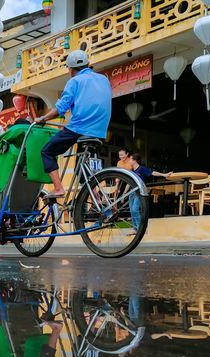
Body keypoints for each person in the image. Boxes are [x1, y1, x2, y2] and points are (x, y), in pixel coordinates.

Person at [36, 50, 112, 198]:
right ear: (88, 64)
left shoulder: (74, 81)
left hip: (80, 127)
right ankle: (96, 201)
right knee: (82, 168)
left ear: (70, 69)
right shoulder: (104, 79)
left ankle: (58, 188)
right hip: (99, 130)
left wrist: (43, 119)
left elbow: (60, 109)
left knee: (47, 151)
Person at [129, 153, 172, 233]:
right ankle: (135, 229)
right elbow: (129, 183)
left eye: (131, 159)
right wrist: (124, 192)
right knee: (132, 211)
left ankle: (140, 229)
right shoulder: (132, 171)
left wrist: (164, 175)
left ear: (134, 160)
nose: (129, 161)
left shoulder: (141, 169)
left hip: (138, 192)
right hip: (131, 192)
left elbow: (152, 172)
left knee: (135, 209)